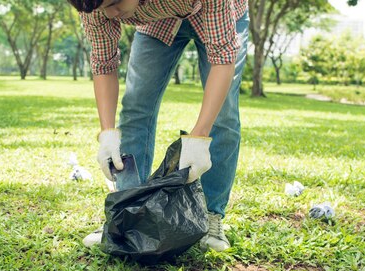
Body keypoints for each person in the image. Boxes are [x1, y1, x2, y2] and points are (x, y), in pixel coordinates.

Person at [68, 0, 249, 252]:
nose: (110, 14)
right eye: (102, 9)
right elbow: (103, 62)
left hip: (221, 12)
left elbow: (223, 56)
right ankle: (126, 215)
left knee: (224, 114)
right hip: (156, 21)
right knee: (136, 105)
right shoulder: (94, 5)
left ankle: (210, 217)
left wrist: (200, 136)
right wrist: (107, 132)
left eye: (114, 3)